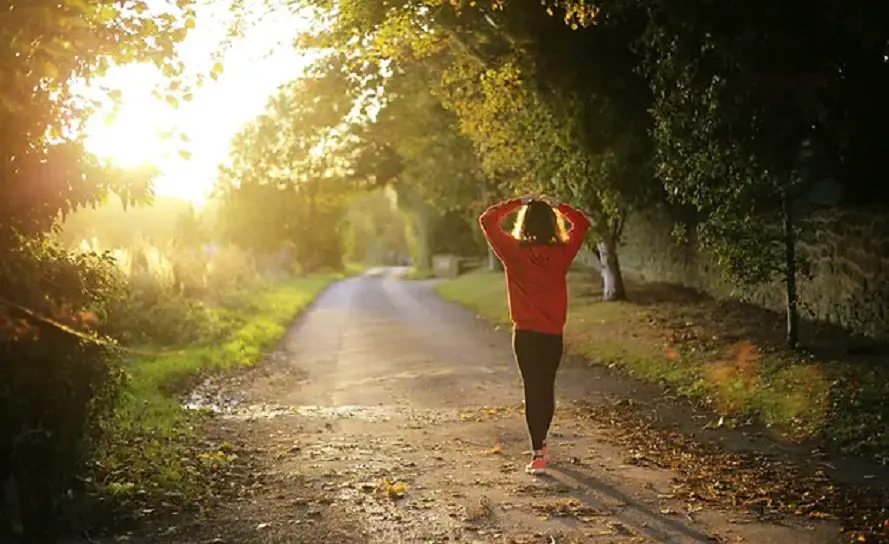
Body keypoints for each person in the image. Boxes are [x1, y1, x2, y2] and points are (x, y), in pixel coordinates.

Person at [479, 193, 591, 475]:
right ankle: (541, 445)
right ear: (552, 224)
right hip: (552, 335)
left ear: (524, 223)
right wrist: (559, 205)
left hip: (526, 336)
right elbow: (582, 223)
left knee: (533, 389)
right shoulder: (562, 253)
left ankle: (538, 452)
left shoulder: (514, 252)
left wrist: (518, 202)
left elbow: (487, 220)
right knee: (546, 387)